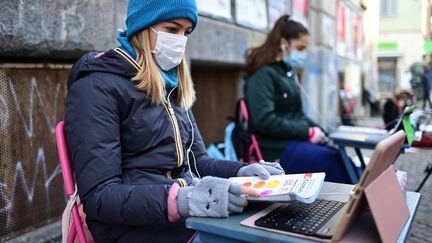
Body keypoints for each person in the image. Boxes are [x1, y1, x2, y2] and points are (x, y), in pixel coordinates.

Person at [64, 0, 285, 242]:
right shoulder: (96, 87)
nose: (180, 40)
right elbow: (100, 196)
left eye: (186, 32)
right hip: (132, 229)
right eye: (172, 29)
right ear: (143, 26)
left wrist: (242, 171)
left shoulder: (171, 83)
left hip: (184, 219)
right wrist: (184, 199)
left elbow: (197, 159)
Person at [244, 15, 351, 184]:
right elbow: (264, 120)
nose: (303, 54)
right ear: (283, 43)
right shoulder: (263, 75)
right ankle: (349, 206)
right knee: (333, 161)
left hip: (291, 141)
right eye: (300, 48)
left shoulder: (287, 73)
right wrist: (307, 132)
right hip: (274, 149)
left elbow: (298, 114)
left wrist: (320, 130)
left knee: (338, 155)